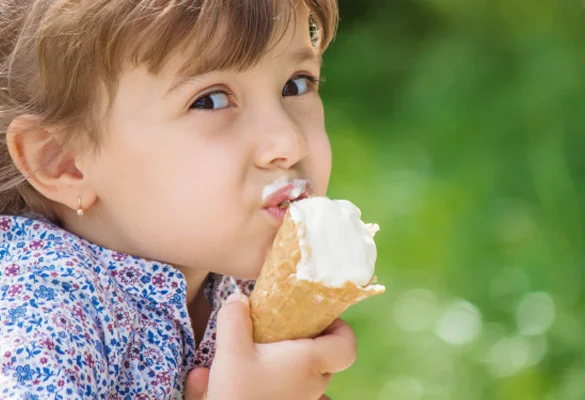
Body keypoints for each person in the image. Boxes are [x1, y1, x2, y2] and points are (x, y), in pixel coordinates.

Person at [0, 0, 356, 398]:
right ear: (64, 162)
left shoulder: (233, 280)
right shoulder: (40, 315)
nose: (288, 143)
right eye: (210, 100)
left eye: (296, 85)